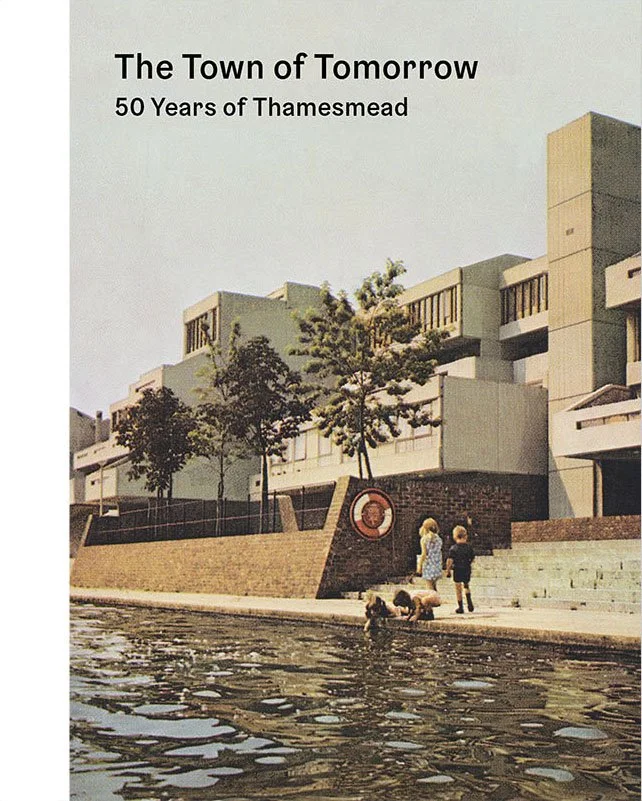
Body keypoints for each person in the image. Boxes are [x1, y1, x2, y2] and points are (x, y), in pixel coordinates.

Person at [446, 525, 475, 614]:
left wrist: (448, 570)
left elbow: (450, 560)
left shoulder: (453, 548)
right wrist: (469, 563)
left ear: (455, 537)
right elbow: (473, 558)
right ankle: (469, 601)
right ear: (465, 536)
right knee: (466, 585)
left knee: (458, 588)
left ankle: (460, 607)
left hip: (457, 569)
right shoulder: (469, 547)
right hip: (466, 568)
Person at [416, 517, 443, 591]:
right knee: (434, 586)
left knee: (429, 586)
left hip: (428, 565)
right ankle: (437, 599)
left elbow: (424, 554)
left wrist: (419, 566)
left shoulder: (424, 539)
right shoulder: (438, 539)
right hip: (437, 564)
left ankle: (432, 601)